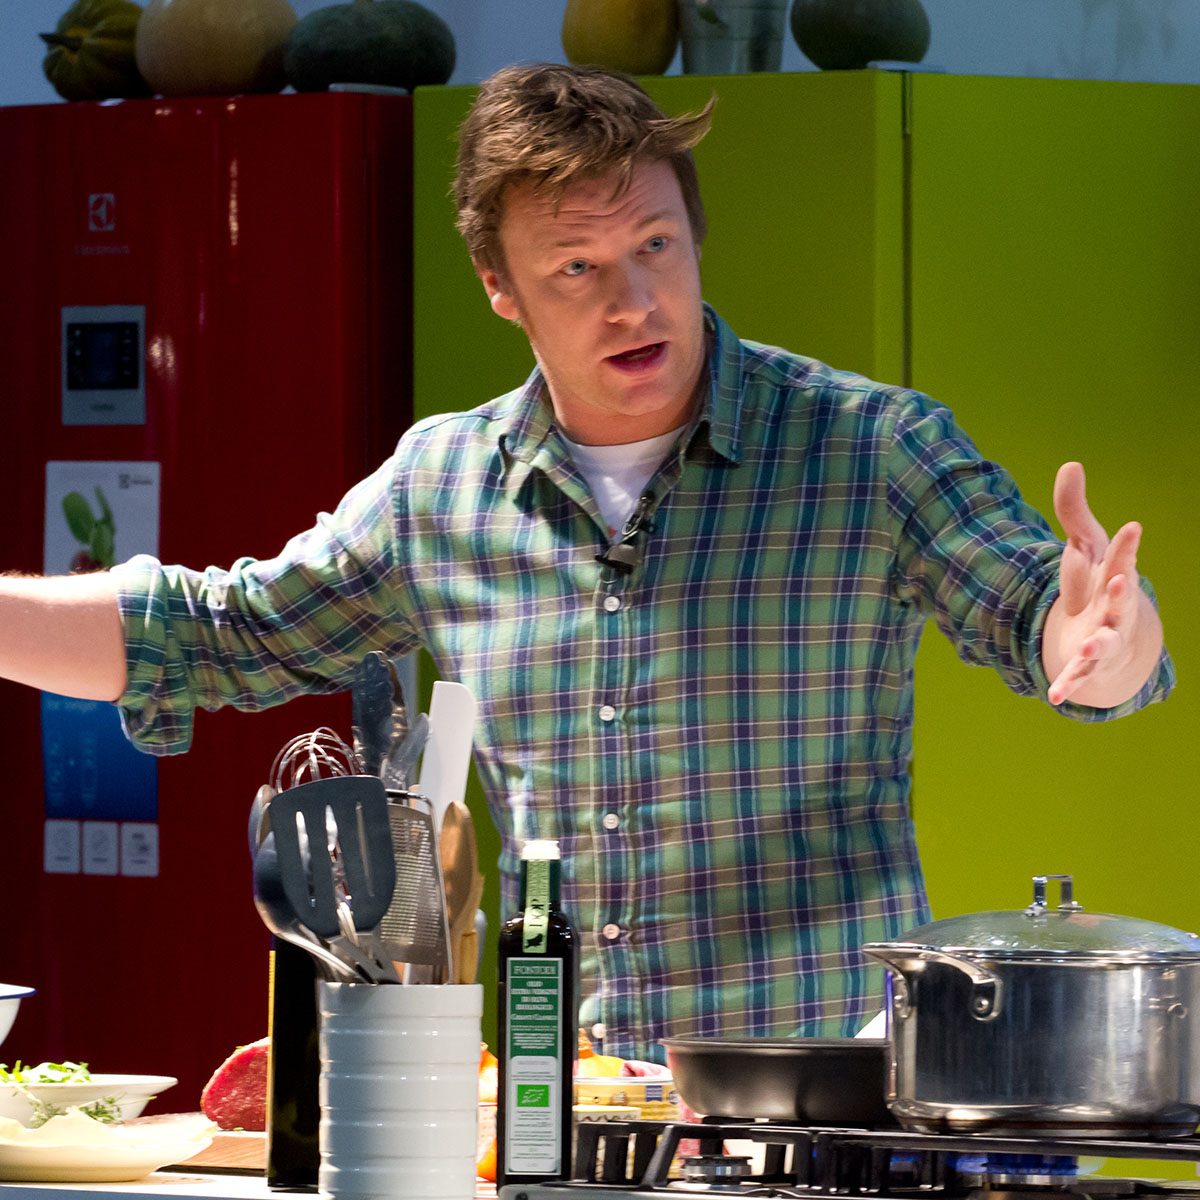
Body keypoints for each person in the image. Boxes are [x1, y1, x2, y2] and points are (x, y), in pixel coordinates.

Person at [0, 64, 1172, 1062]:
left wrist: (1102, 641)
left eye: (656, 245)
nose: (634, 299)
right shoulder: (441, 487)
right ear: (501, 291)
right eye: (577, 269)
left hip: (819, 1115)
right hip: (565, 1117)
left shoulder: (872, 449)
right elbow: (216, 633)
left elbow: (1058, 625)